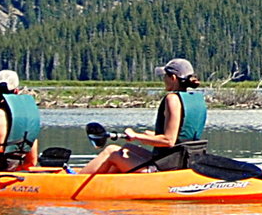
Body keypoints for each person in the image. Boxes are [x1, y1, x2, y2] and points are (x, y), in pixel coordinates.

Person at [81, 58, 211, 174]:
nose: (163, 79)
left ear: (173, 78)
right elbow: (181, 136)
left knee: (111, 151)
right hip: (183, 160)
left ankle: (74, 182)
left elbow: (169, 141)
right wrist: (151, 135)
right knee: (128, 148)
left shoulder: (172, 99)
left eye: (165, 76)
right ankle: (108, 184)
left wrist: (136, 136)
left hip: (168, 166)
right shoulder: (197, 99)